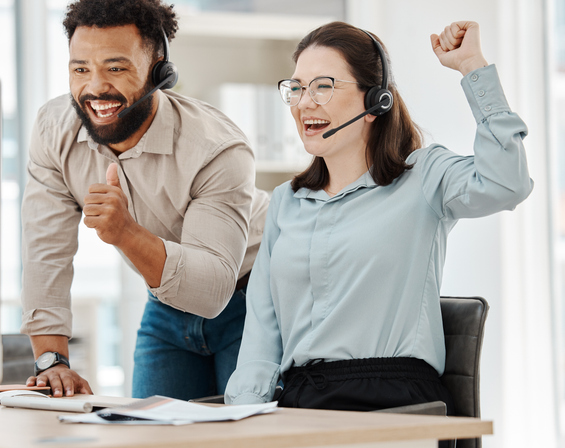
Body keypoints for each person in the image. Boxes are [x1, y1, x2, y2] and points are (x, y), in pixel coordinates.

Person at [224, 21, 533, 413]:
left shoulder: (424, 176)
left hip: (393, 403)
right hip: (303, 404)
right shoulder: (287, 201)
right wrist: (244, 415)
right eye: (297, 88)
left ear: (375, 103)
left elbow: (508, 183)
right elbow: (262, 333)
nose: (304, 103)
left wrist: (473, 67)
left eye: (323, 86)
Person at [19, 0, 269, 400]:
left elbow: (211, 291)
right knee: (149, 435)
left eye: (115, 68)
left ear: (159, 71)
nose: (95, 88)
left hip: (254, 298)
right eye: (80, 69)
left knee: (244, 436)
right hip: (166, 302)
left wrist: (125, 233)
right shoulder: (53, 130)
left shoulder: (217, 148)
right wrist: (52, 362)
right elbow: (45, 249)